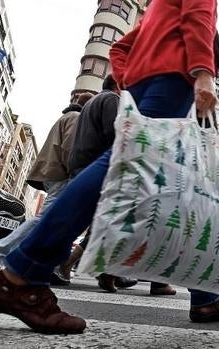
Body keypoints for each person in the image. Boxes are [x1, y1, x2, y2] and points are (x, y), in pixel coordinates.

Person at [0, 0, 219, 334]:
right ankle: (21, 273)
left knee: (169, 183)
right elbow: (199, 17)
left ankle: (205, 294)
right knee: (121, 168)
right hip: (176, 76)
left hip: (152, 81)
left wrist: (129, 84)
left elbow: (120, 47)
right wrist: (204, 73)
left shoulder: (156, 9)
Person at [62, 75, 168, 294]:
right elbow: (117, 133)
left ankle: (107, 272)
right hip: (96, 164)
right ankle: (63, 263)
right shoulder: (111, 99)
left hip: (83, 163)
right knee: (105, 220)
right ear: (118, 85)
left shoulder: (93, 102)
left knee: (101, 221)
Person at [0, 92, 94, 285]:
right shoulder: (76, 118)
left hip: (56, 173)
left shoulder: (67, 116)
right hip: (62, 174)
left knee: (54, 221)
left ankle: (37, 264)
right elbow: (70, 150)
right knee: (45, 219)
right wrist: (77, 175)